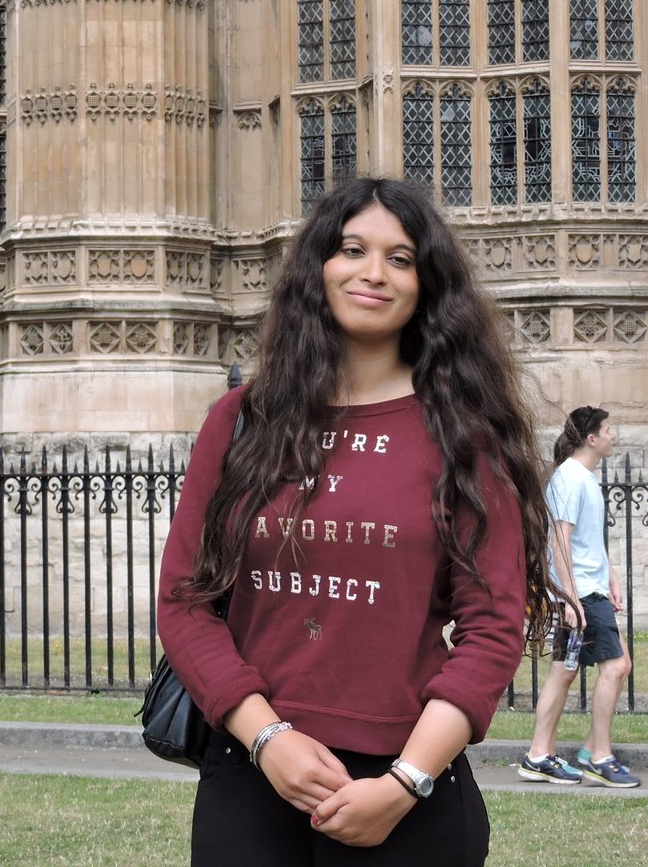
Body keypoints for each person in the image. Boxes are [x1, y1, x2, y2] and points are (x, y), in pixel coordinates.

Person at [156, 177, 558, 865]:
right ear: (318, 267)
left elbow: (493, 627)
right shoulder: (242, 420)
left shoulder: (465, 435)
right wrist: (267, 739)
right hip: (253, 781)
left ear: (427, 283)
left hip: (409, 790)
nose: (374, 273)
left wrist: (406, 782)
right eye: (351, 249)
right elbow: (185, 603)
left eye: (400, 258)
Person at [516, 405, 641, 788]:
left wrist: (612, 577)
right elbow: (560, 540)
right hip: (580, 593)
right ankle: (598, 756)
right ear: (591, 438)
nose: (612, 436)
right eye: (608, 430)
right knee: (616, 666)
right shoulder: (570, 478)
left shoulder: (584, 477)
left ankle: (541, 754)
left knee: (566, 669)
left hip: (590, 588)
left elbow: (589, 540)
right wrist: (571, 599)